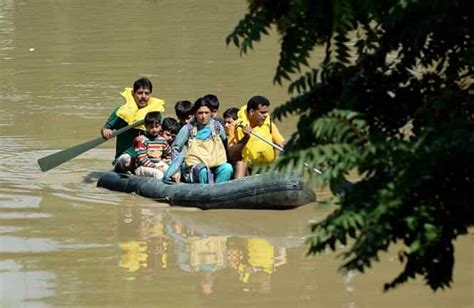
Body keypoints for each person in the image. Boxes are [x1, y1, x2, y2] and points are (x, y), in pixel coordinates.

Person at [101, 77, 165, 172]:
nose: (143, 96)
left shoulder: (156, 114)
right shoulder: (121, 112)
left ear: (150, 95)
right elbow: (106, 128)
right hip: (126, 156)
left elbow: (163, 135)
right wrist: (106, 131)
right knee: (127, 159)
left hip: (148, 157)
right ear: (133, 94)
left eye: (146, 93)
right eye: (139, 93)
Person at [164, 97, 233, 184]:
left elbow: (225, 142)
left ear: (211, 113)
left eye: (206, 113)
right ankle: (204, 191)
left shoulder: (217, 127)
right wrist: (177, 170)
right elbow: (176, 148)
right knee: (202, 170)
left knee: (227, 168)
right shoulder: (188, 129)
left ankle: (218, 191)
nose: (203, 116)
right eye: (200, 113)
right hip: (194, 167)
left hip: (215, 164)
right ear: (195, 114)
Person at [227, 95, 285, 178]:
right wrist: (246, 137)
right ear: (251, 112)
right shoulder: (236, 126)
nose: (266, 115)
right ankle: (241, 188)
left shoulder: (268, 123)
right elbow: (232, 154)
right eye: (262, 112)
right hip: (249, 166)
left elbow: (280, 142)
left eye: (266, 112)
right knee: (240, 164)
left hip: (268, 164)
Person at [133, 112, 171, 179]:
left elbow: (169, 154)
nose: (154, 130)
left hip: (158, 163)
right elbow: (142, 159)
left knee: (170, 171)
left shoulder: (162, 140)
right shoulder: (143, 140)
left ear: (160, 126)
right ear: (145, 126)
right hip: (143, 167)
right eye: (151, 127)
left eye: (157, 127)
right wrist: (155, 167)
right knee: (159, 174)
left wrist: (164, 161)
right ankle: (158, 188)